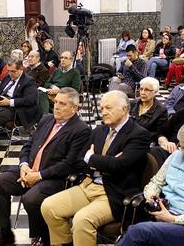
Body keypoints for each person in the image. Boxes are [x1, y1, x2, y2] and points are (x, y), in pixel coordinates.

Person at [41, 90, 151, 246]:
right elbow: (80, 160)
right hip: (88, 185)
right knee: (49, 207)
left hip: (114, 193)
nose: (103, 112)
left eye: (108, 108)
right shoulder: (100, 130)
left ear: (124, 109)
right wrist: (105, 162)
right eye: (102, 108)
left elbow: (118, 166)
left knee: (81, 220)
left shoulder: (139, 135)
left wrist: (92, 158)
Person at [0, 88, 91, 246]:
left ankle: (42, 237)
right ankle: (5, 235)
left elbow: (69, 165)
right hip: (31, 169)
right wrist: (24, 165)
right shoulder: (46, 119)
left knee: (31, 199)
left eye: (62, 104)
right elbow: (28, 145)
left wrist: (39, 175)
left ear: (74, 108)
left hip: (55, 178)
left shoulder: (81, 130)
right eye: (56, 102)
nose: (56, 106)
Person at [118, 120, 184, 246]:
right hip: (162, 215)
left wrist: (173, 219)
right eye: (182, 148)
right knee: (136, 235)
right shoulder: (176, 155)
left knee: (138, 232)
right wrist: (152, 197)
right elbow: (156, 182)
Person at [129, 77, 167, 143]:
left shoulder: (161, 110)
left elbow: (159, 134)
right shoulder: (132, 104)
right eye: (141, 89)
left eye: (147, 90)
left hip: (143, 142)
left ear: (155, 92)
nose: (143, 93)